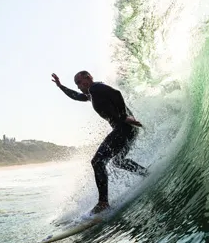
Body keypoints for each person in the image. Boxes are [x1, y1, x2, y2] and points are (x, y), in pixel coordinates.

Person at [52, 70, 148, 213]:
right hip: (127, 129)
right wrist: (61, 86)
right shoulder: (91, 94)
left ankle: (103, 203)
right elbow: (77, 96)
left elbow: (117, 94)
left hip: (124, 128)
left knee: (97, 162)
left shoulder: (96, 88)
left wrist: (123, 116)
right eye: (76, 84)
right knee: (117, 162)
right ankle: (146, 173)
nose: (78, 86)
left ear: (88, 78)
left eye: (79, 82)